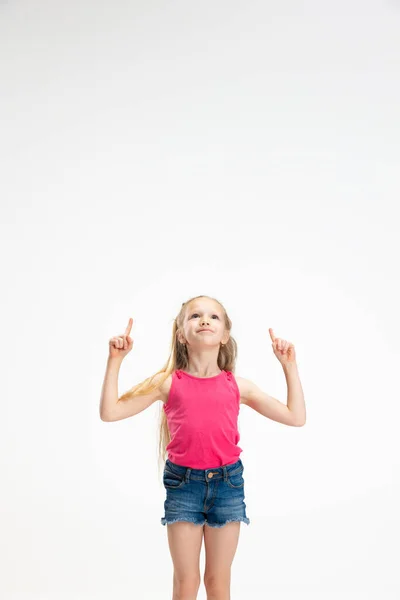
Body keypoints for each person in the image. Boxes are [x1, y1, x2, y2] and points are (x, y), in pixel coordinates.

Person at [99, 294, 306, 599]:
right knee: (186, 582)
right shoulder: (167, 382)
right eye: (195, 316)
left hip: (228, 484)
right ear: (181, 334)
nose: (205, 320)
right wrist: (115, 361)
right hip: (184, 486)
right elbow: (110, 412)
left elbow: (295, 416)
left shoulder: (238, 385)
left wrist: (289, 365)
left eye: (214, 316)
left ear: (224, 336)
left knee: (217, 582)